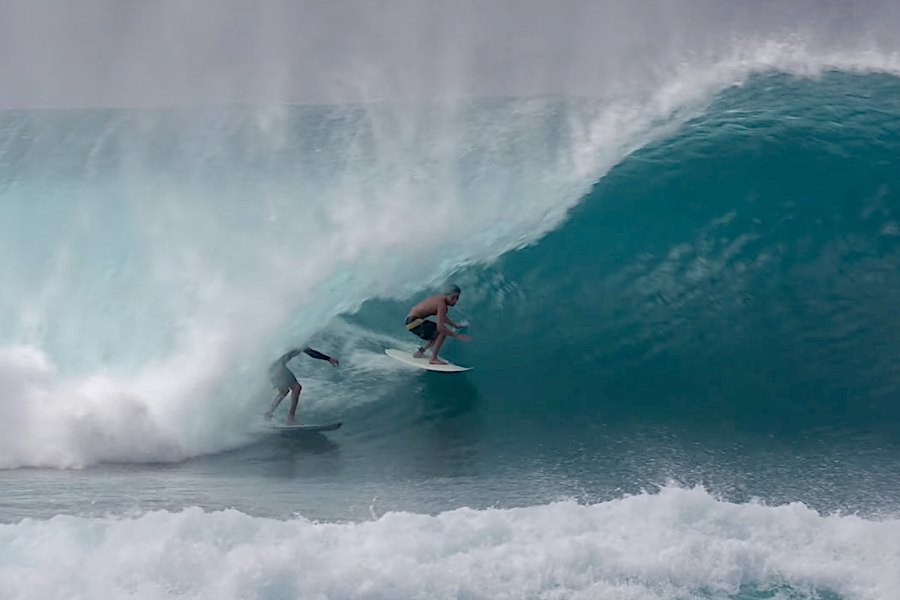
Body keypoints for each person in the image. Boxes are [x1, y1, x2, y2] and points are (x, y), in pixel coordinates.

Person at [265, 347, 339, 425]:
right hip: (277, 368)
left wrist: (328, 359)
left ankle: (268, 413)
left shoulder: (294, 342)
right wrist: (329, 359)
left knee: (284, 391)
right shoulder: (295, 342)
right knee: (296, 388)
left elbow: (310, 352)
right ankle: (290, 419)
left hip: (272, 368)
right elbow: (311, 353)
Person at [405, 284, 471, 365]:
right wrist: (457, 336)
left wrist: (455, 325)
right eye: (453, 297)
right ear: (446, 295)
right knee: (441, 332)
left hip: (412, 321)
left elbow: (442, 317)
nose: (455, 301)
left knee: (435, 333)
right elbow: (440, 327)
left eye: (457, 298)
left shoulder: (439, 299)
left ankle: (420, 352)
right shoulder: (442, 304)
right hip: (414, 322)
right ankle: (433, 359)